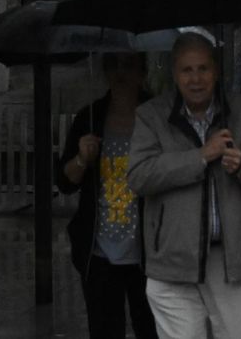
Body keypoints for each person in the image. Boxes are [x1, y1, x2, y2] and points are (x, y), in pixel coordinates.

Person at [129, 32, 241, 339]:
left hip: (234, 258)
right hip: (173, 260)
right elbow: (139, 175)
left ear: (216, 71)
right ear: (174, 74)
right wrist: (200, 156)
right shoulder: (151, 116)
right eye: (187, 70)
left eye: (203, 68)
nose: (196, 79)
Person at [57, 51, 159, 339]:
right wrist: (81, 159)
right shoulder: (89, 118)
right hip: (99, 252)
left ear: (142, 71)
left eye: (128, 65)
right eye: (113, 64)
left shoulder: (157, 116)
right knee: (104, 329)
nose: (121, 73)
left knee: (151, 329)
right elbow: (65, 182)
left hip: (148, 253)